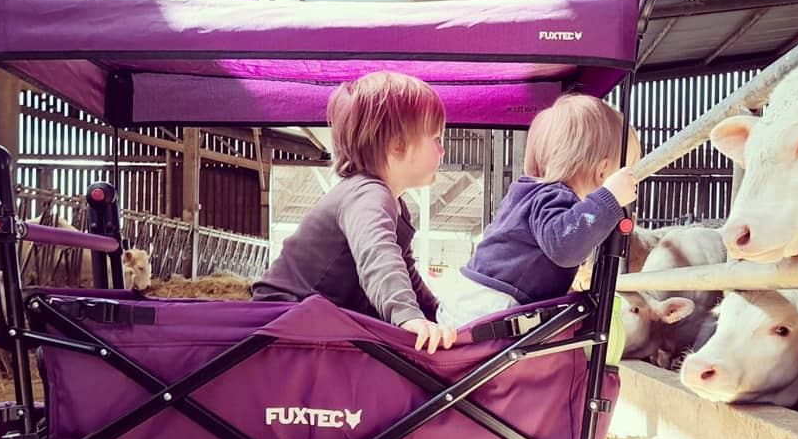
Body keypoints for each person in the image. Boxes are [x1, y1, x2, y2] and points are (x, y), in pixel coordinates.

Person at [252, 71, 457, 354]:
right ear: (397, 145)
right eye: (435, 138)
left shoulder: (393, 203)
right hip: (282, 325)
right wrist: (407, 316)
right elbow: (378, 256)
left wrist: (438, 315)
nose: (442, 150)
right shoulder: (367, 195)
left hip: (309, 323)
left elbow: (404, 270)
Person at [438, 94, 639, 329]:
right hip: (492, 307)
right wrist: (610, 197)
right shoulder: (555, 195)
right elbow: (565, 246)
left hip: (473, 302)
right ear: (603, 172)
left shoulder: (533, 193)